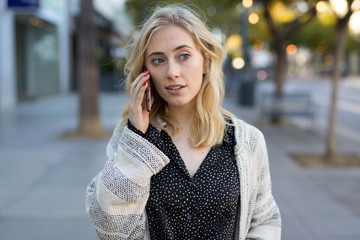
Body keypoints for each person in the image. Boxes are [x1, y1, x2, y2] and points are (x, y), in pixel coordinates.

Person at [86, 4, 281, 240]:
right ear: (145, 73)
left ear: (206, 62)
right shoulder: (133, 139)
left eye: (184, 56)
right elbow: (109, 226)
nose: (172, 72)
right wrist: (137, 138)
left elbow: (264, 221)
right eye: (158, 60)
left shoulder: (247, 141)